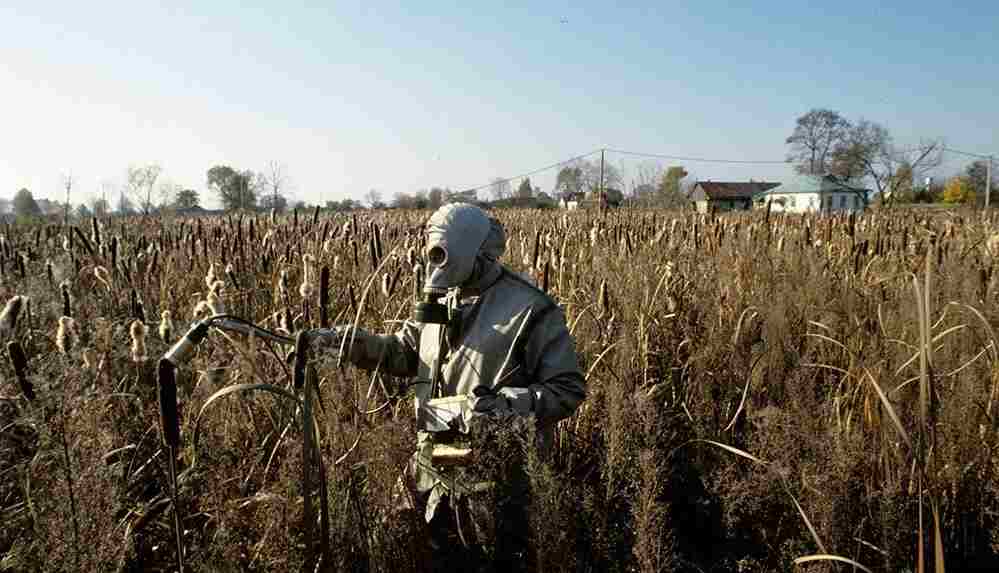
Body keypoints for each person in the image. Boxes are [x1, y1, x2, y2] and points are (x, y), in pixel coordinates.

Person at [311, 202, 586, 570]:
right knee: (412, 547)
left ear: (476, 252)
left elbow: (566, 390)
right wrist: (346, 343)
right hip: (431, 458)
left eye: (445, 254)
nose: (437, 264)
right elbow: (407, 352)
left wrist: (505, 407)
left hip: (495, 475)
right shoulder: (444, 294)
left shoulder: (531, 309)